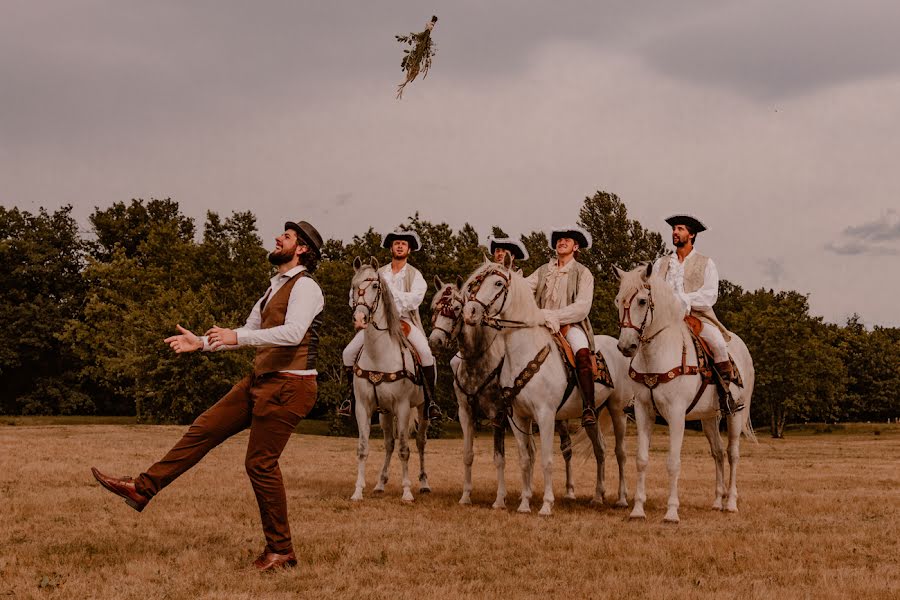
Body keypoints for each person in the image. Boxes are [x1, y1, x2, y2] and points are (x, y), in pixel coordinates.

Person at [91, 220, 326, 572]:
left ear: (302, 248)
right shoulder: (273, 287)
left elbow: (293, 333)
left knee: (260, 464)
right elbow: (247, 331)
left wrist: (235, 337)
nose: (278, 238)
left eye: (287, 237)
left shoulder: (306, 287)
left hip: (289, 386)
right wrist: (200, 343)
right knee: (203, 429)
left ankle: (281, 551)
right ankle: (142, 489)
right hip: (259, 379)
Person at [338, 230, 442, 421]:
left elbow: (414, 300)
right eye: (396, 243)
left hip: (404, 322)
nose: (400, 246)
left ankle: (430, 402)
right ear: (391, 248)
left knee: (426, 354)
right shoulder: (377, 273)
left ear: (409, 249)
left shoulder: (415, 275)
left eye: (403, 243)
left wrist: (389, 296)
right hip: (376, 323)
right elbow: (357, 293)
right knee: (348, 353)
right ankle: (350, 399)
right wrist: (361, 312)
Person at [652, 214, 743, 415]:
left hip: (698, 317)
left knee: (718, 343)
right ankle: (637, 397)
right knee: (641, 342)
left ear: (691, 235)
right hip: (665, 320)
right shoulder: (661, 263)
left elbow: (710, 294)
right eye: (674, 228)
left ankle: (725, 395)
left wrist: (684, 300)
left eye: (680, 229)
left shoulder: (706, 263)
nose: (675, 232)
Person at [524, 226, 597, 427]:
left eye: (567, 240)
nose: (561, 242)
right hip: (540, 325)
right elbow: (523, 289)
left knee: (582, 353)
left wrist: (554, 315)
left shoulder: (583, 273)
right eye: (559, 240)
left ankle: (588, 407)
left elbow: (583, 307)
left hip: (569, 325)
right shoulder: (542, 271)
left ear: (576, 247)